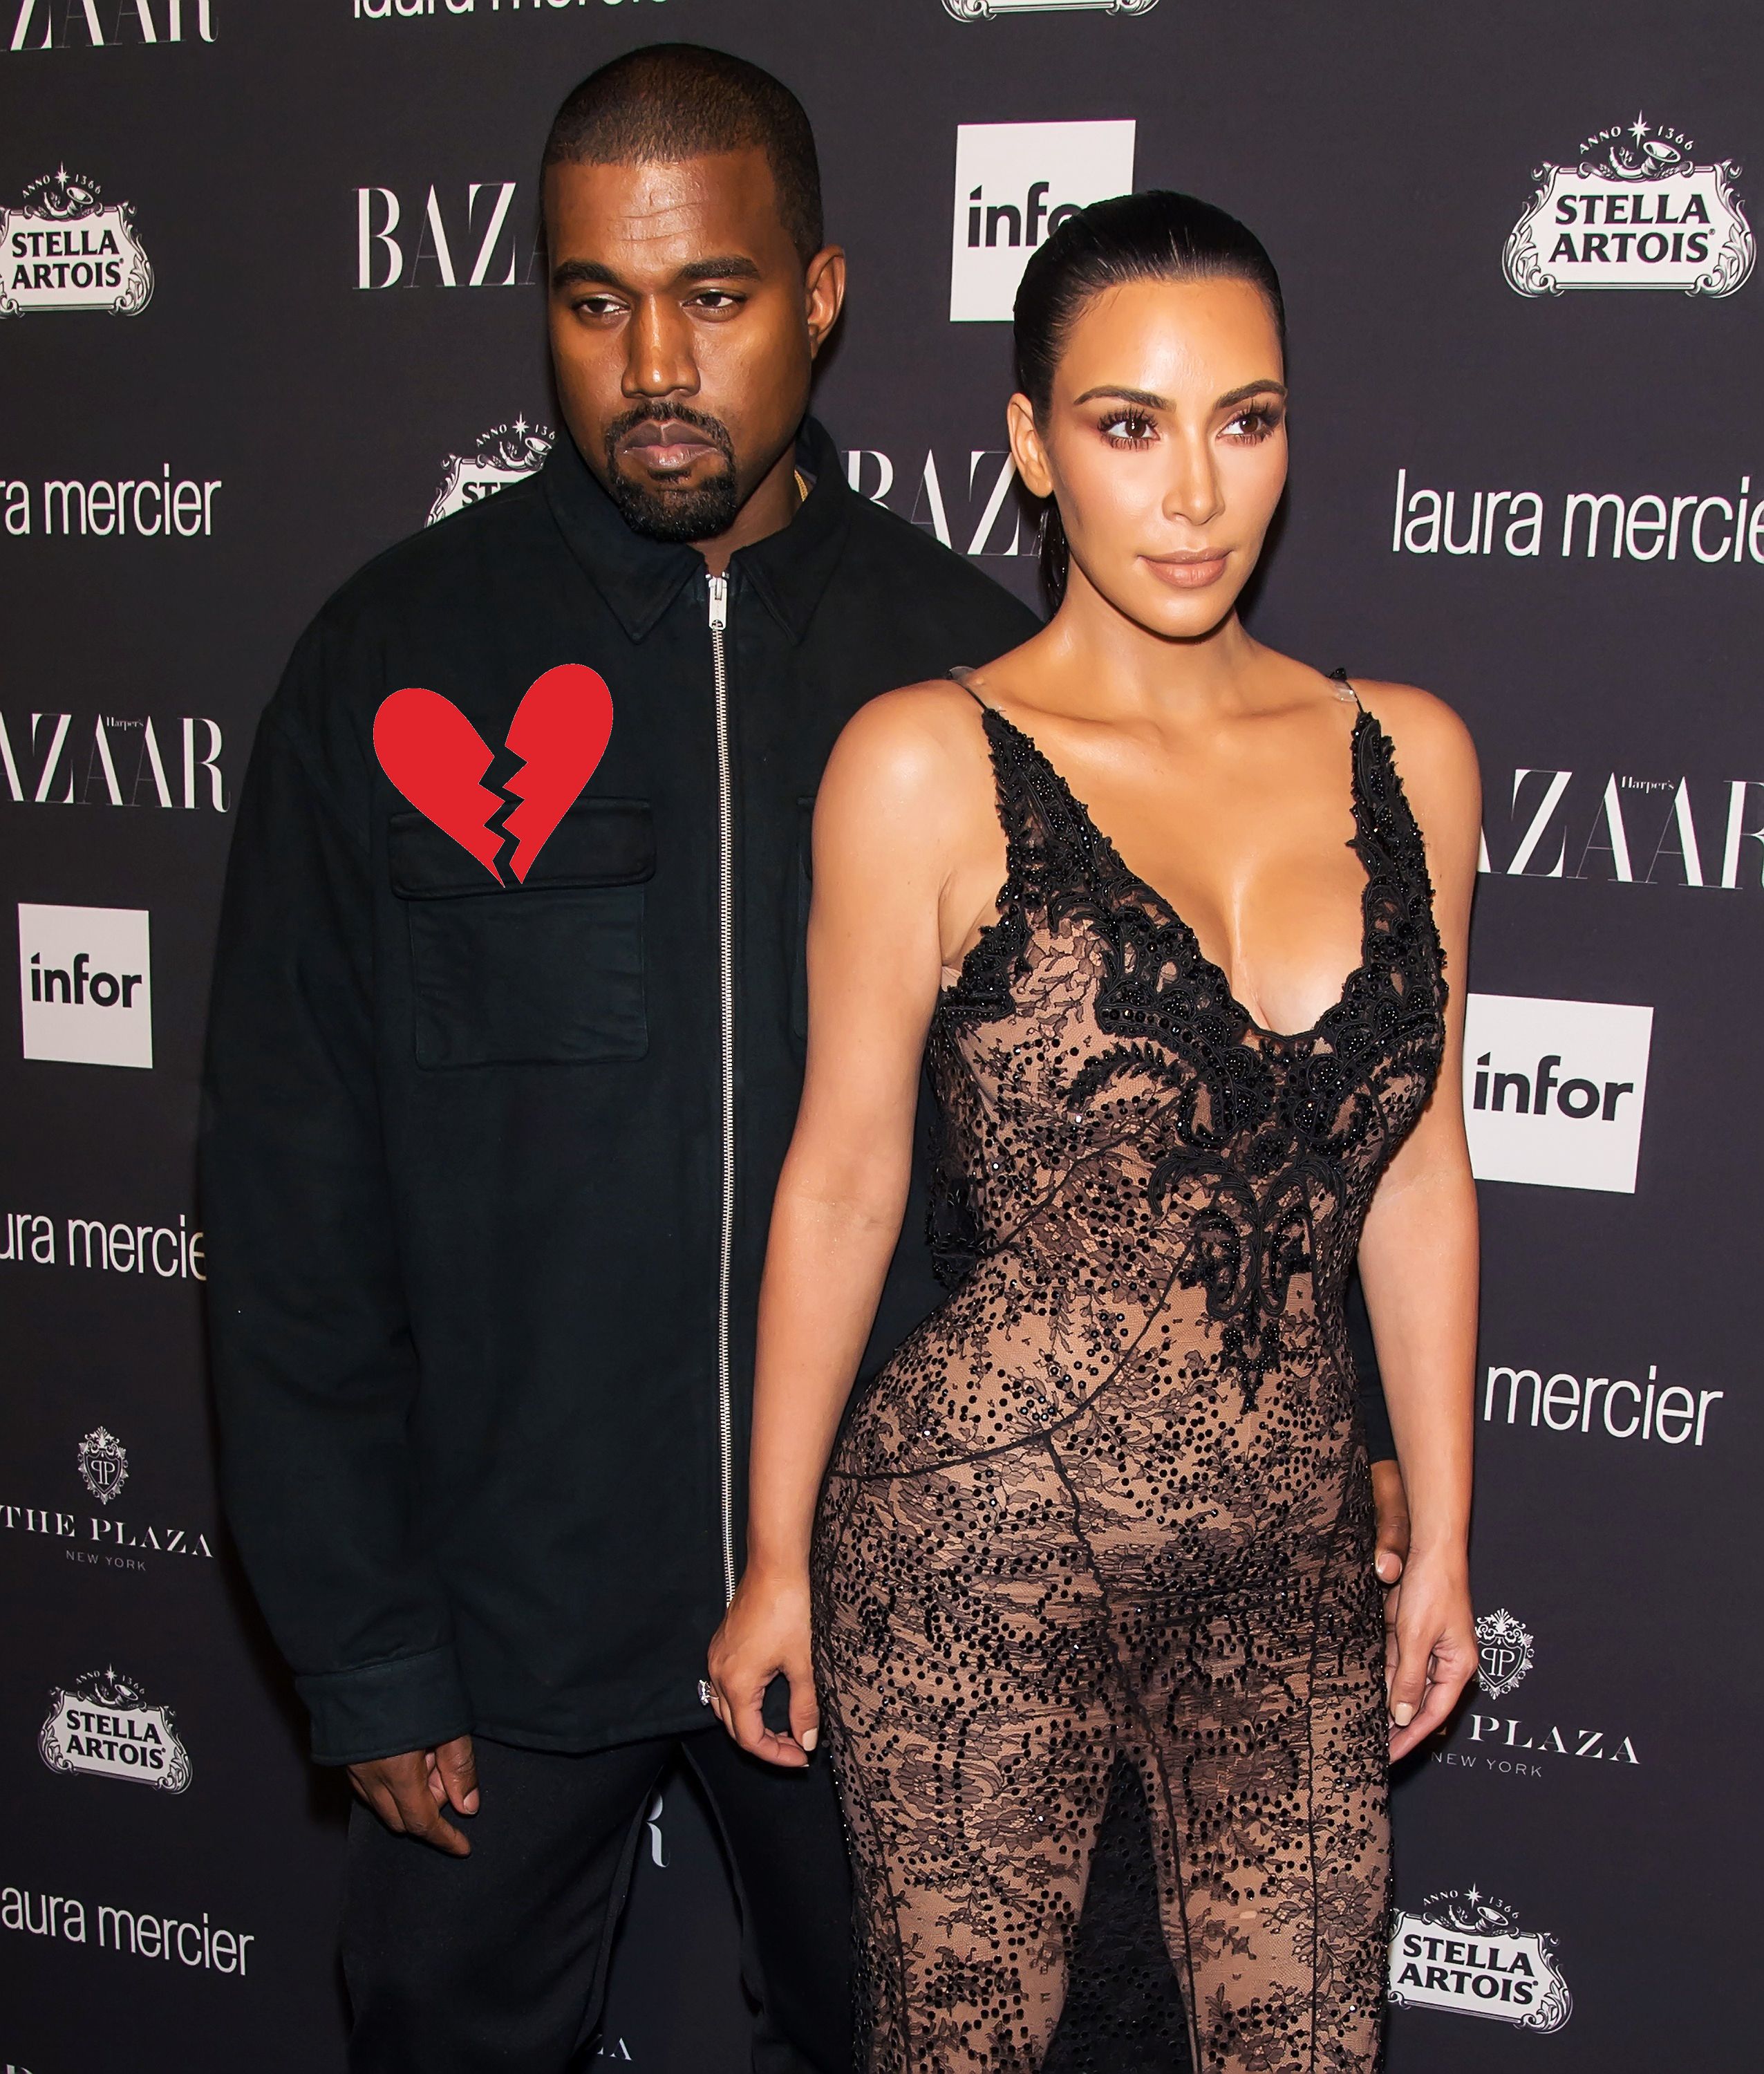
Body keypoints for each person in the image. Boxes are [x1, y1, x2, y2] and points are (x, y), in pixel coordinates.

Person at [203, 37, 1407, 2068]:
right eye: (597, 304)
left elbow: (1207, 1099)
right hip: (504, 1610)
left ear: (824, 297)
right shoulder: (388, 662)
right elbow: (289, 1191)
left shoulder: (973, 676)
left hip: (903, 1612)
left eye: (717, 295)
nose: (657, 363)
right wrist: (366, 1644)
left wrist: (1330, 1403)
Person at [707, 191, 1479, 2073]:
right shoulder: (923, 761)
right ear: (1033, 447)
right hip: (974, 1552)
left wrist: (1448, 1534)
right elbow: (844, 1179)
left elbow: (1419, 1171)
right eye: (1130, 426)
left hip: (1290, 1563)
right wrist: (776, 1557)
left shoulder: (1415, 758)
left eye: (1246, 420)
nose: (1196, 492)